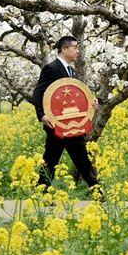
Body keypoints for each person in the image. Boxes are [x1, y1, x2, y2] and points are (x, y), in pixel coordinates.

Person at [33, 36, 100, 195]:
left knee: (82, 159)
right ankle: (42, 193)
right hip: (56, 124)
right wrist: (42, 115)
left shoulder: (73, 71)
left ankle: (98, 192)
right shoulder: (51, 68)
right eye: (75, 47)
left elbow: (76, 97)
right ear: (64, 49)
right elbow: (38, 92)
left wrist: (91, 104)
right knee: (51, 161)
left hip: (73, 124)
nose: (78, 51)